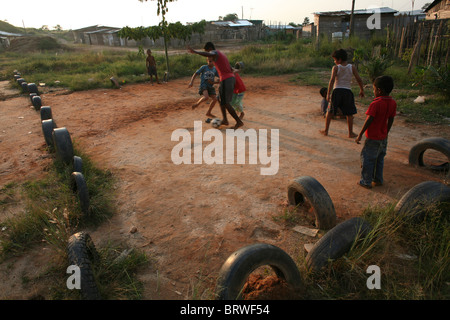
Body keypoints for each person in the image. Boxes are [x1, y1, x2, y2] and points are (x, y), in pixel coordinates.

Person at [187, 42, 244, 129]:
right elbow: (231, 69)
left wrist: (196, 52)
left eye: (208, 53)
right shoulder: (221, 55)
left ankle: (239, 122)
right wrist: (236, 70)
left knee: (226, 103)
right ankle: (225, 120)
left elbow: (211, 54)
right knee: (220, 100)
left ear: (209, 49)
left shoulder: (215, 53)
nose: (208, 56)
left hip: (226, 79)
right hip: (227, 79)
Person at [355, 75, 396, 189]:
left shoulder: (376, 103)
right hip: (383, 137)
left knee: (367, 158)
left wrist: (360, 134)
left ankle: (366, 181)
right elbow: (391, 118)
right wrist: (386, 131)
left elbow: (369, 119)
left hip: (373, 137)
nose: (373, 92)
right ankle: (378, 179)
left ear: (379, 90)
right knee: (379, 159)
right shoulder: (392, 102)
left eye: (373, 89)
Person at [320, 48, 364, 138]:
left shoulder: (336, 68)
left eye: (335, 60)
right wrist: (361, 90)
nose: (334, 62)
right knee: (349, 113)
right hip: (347, 91)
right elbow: (359, 79)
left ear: (339, 59)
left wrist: (328, 93)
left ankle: (326, 130)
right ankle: (350, 133)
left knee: (330, 111)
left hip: (337, 91)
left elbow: (331, 81)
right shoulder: (352, 67)